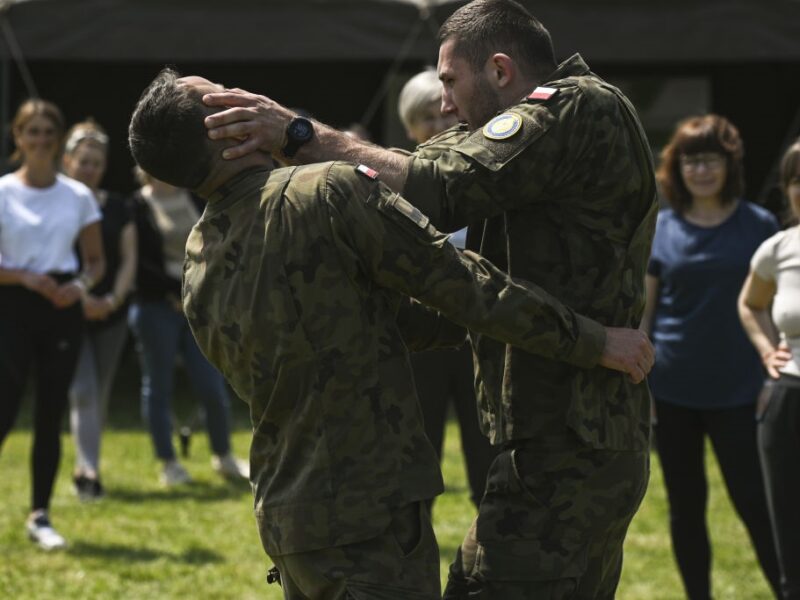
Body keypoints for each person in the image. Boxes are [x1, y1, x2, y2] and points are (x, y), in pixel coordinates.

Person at [128, 68, 654, 599]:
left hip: (291, 517)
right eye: (226, 97)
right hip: (368, 516)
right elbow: (461, 285)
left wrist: (500, 330)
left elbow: (381, 322)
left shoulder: (200, 254)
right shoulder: (327, 192)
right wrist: (591, 339)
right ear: (231, 130)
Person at [641, 114, 781, 599]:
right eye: (691, 160)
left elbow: (775, 310)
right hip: (673, 391)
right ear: (676, 168)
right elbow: (646, 314)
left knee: (756, 504)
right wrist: (643, 387)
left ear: (729, 165)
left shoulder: (759, 225)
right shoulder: (661, 228)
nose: (701, 170)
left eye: (711, 160)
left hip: (743, 392)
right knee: (685, 507)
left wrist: (772, 377)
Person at [0, 99, 104, 549]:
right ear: (17, 137)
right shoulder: (3, 191)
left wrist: (79, 286)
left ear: (59, 138)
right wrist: (23, 276)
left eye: (48, 131)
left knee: (50, 412)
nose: (40, 139)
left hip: (61, 308)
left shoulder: (77, 196)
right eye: (32, 131)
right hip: (13, 304)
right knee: (4, 407)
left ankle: (40, 514)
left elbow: (96, 262)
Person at [398, 67, 494, 508]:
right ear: (409, 127)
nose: (438, 126)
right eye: (425, 119)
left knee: (486, 451)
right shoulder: (397, 182)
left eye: (443, 115)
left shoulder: (484, 175)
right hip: (423, 338)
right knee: (419, 452)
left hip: (482, 330)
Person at [128, 167, 248, 486]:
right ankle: (169, 463)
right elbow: (136, 262)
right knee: (158, 386)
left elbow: (213, 246)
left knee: (212, 384)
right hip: (156, 307)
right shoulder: (136, 206)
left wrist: (196, 292)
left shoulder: (195, 197)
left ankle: (223, 457)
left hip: (198, 305)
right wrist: (172, 292)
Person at [739, 138, 800, 600]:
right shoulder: (777, 249)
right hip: (788, 400)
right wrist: (766, 350)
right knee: (791, 540)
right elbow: (750, 304)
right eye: (796, 179)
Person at [63, 119, 137, 501]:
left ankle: (86, 462)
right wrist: (81, 298)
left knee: (100, 392)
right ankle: (87, 472)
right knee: (83, 391)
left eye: (96, 162)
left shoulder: (119, 207)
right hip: (68, 312)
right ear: (67, 162)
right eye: (83, 160)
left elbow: (128, 260)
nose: (89, 168)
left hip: (111, 314)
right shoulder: (57, 204)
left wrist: (112, 300)